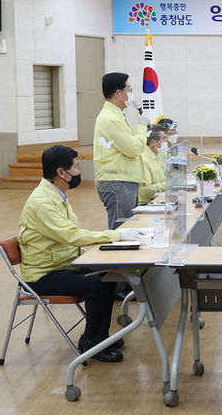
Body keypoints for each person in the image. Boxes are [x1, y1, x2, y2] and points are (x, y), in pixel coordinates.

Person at [18, 146, 146, 362]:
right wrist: (116, 235)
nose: (79, 171)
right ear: (61, 172)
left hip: (64, 264)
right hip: (43, 275)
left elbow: (69, 235)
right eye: (76, 167)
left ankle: (100, 336)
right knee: (97, 285)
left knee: (108, 276)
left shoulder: (56, 194)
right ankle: (93, 343)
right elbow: (70, 235)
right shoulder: (42, 202)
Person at [93, 72, 150, 230]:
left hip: (123, 180)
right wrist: (142, 126)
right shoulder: (110, 119)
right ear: (119, 93)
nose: (131, 93)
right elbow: (133, 148)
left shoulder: (116, 115)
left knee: (128, 229)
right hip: (117, 182)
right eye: (129, 89)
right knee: (122, 231)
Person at [138, 125, 167, 205]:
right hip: (146, 204)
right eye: (164, 138)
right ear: (153, 142)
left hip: (158, 200)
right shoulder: (144, 159)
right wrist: (167, 185)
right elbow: (144, 191)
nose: (166, 142)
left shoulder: (156, 156)